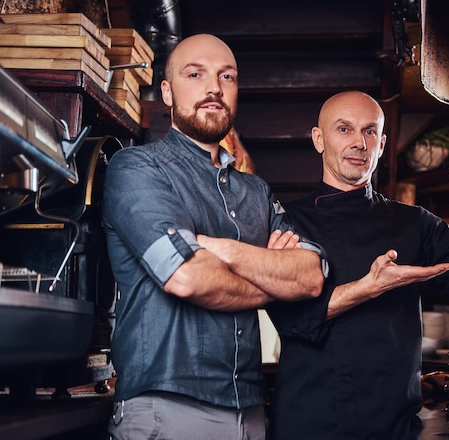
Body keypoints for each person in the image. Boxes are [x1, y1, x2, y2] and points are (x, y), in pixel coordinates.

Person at [101, 33, 326, 440]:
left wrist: (221, 249)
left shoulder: (255, 191)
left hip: (249, 409)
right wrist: (272, 280)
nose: (213, 88)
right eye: (195, 74)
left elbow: (309, 276)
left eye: (227, 76)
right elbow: (187, 277)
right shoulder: (136, 169)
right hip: (167, 406)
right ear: (167, 93)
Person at [265, 91, 449, 440]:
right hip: (311, 420)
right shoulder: (286, 221)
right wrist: (369, 287)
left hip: (394, 425)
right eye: (344, 129)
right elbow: (290, 317)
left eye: (370, 132)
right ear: (319, 139)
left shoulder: (413, 223)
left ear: (382, 144)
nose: (359, 142)